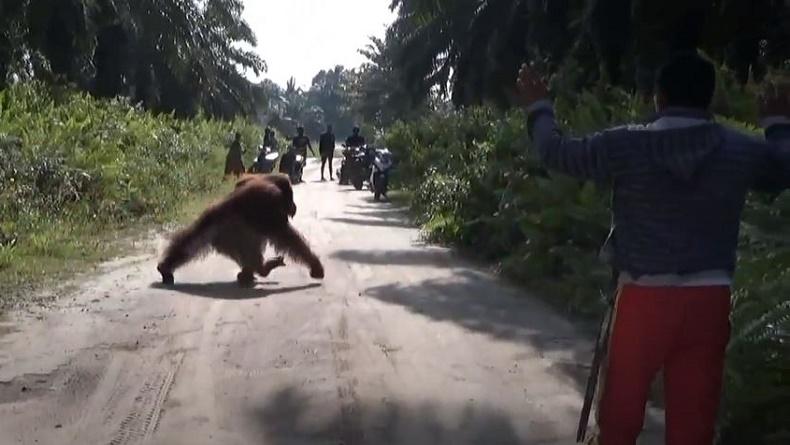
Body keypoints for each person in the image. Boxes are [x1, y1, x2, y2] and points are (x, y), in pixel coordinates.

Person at [516, 51, 789, 445]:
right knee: (693, 426)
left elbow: (557, 152)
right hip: (708, 299)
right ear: (708, 100)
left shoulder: (625, 145)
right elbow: (783, 168)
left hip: (642, 298)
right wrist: (778, 124)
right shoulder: (739, 150)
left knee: (619, 419)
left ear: (659, 97)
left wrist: (539, 106)